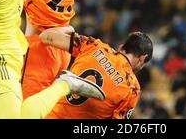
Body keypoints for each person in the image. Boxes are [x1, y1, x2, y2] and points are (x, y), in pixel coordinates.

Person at [21, 27, 153, 119]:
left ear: (121, 47)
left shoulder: (95, 46)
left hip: (47, 114)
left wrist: (70, 28)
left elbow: (46, 36)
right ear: (142, 59)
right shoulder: (132, 89)